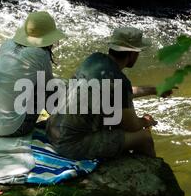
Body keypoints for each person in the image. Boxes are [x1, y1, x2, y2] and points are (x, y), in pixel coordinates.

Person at [46, 27, 174, 160]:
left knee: (112, 120)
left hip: (52, 130)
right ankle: (152, 174)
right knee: (144, 138)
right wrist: (146, 121)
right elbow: (131, 125)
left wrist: (154, 90)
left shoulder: (94, 60)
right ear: (133, 54)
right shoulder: (119, 80)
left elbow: (121, 94)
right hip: (70, 145)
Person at [0, 11, 67, 137]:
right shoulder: (41, 55)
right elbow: (49, 86)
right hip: (11, 128)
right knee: (47, 88)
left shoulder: (6, 44)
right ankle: (59, 124)